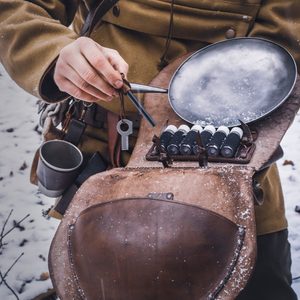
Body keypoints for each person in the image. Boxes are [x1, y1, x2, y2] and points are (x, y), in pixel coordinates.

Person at [0, 1, 299, 299]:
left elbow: (285, 42)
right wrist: (55, 53)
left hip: (231, 159)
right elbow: (17, 8)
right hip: (106, 161)